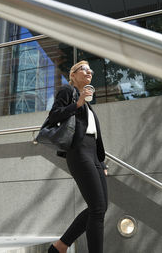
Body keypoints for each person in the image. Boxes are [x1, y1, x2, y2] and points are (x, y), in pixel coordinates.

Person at [48, 61, 108, 253]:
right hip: (79, 152)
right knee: (97, 209)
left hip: (94, 156)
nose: (89, 71)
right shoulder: (68, 91)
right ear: (73, 75)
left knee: (100, 207)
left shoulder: (88, 104)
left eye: (90, 69)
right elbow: (53, 116)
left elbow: (94, 134)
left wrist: (102, 161)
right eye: (84, 68)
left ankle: (60, 246)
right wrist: (78, 103)